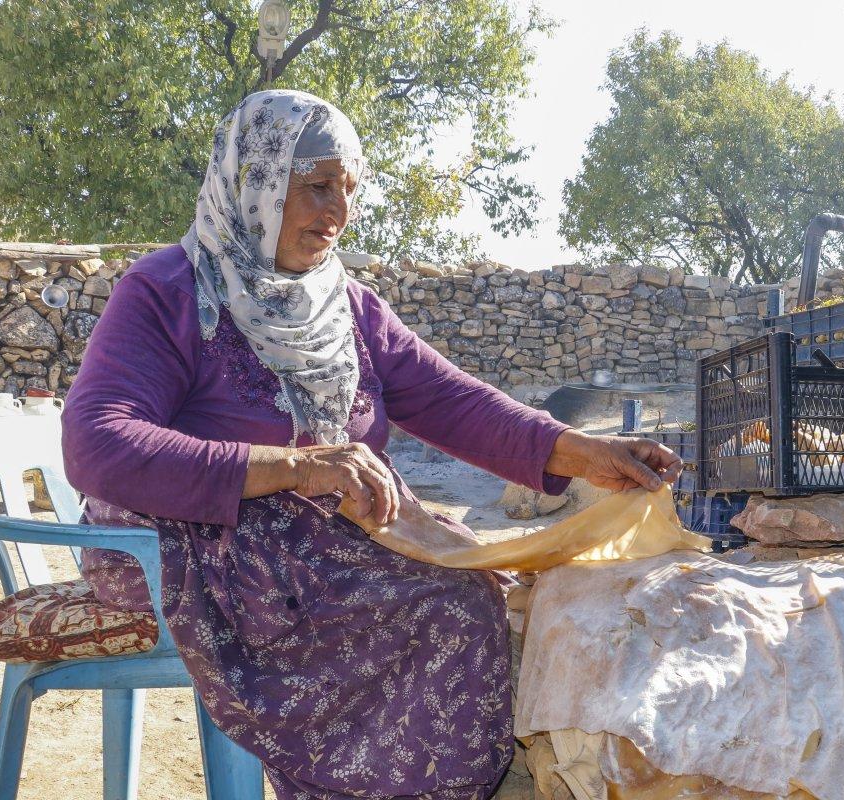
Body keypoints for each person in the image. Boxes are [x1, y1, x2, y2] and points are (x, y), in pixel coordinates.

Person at [61, 89, 681, 800]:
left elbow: (453, 401)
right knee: (446, 603)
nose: (338, 213)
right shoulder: (165, 291)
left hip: (309, 540)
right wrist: (296, 467)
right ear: (254, 182)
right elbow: (98, 445)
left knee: (475, 577)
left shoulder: (346, 307)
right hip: (190, 544)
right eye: (317, 186)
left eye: (348, 191)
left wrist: (583, 453)